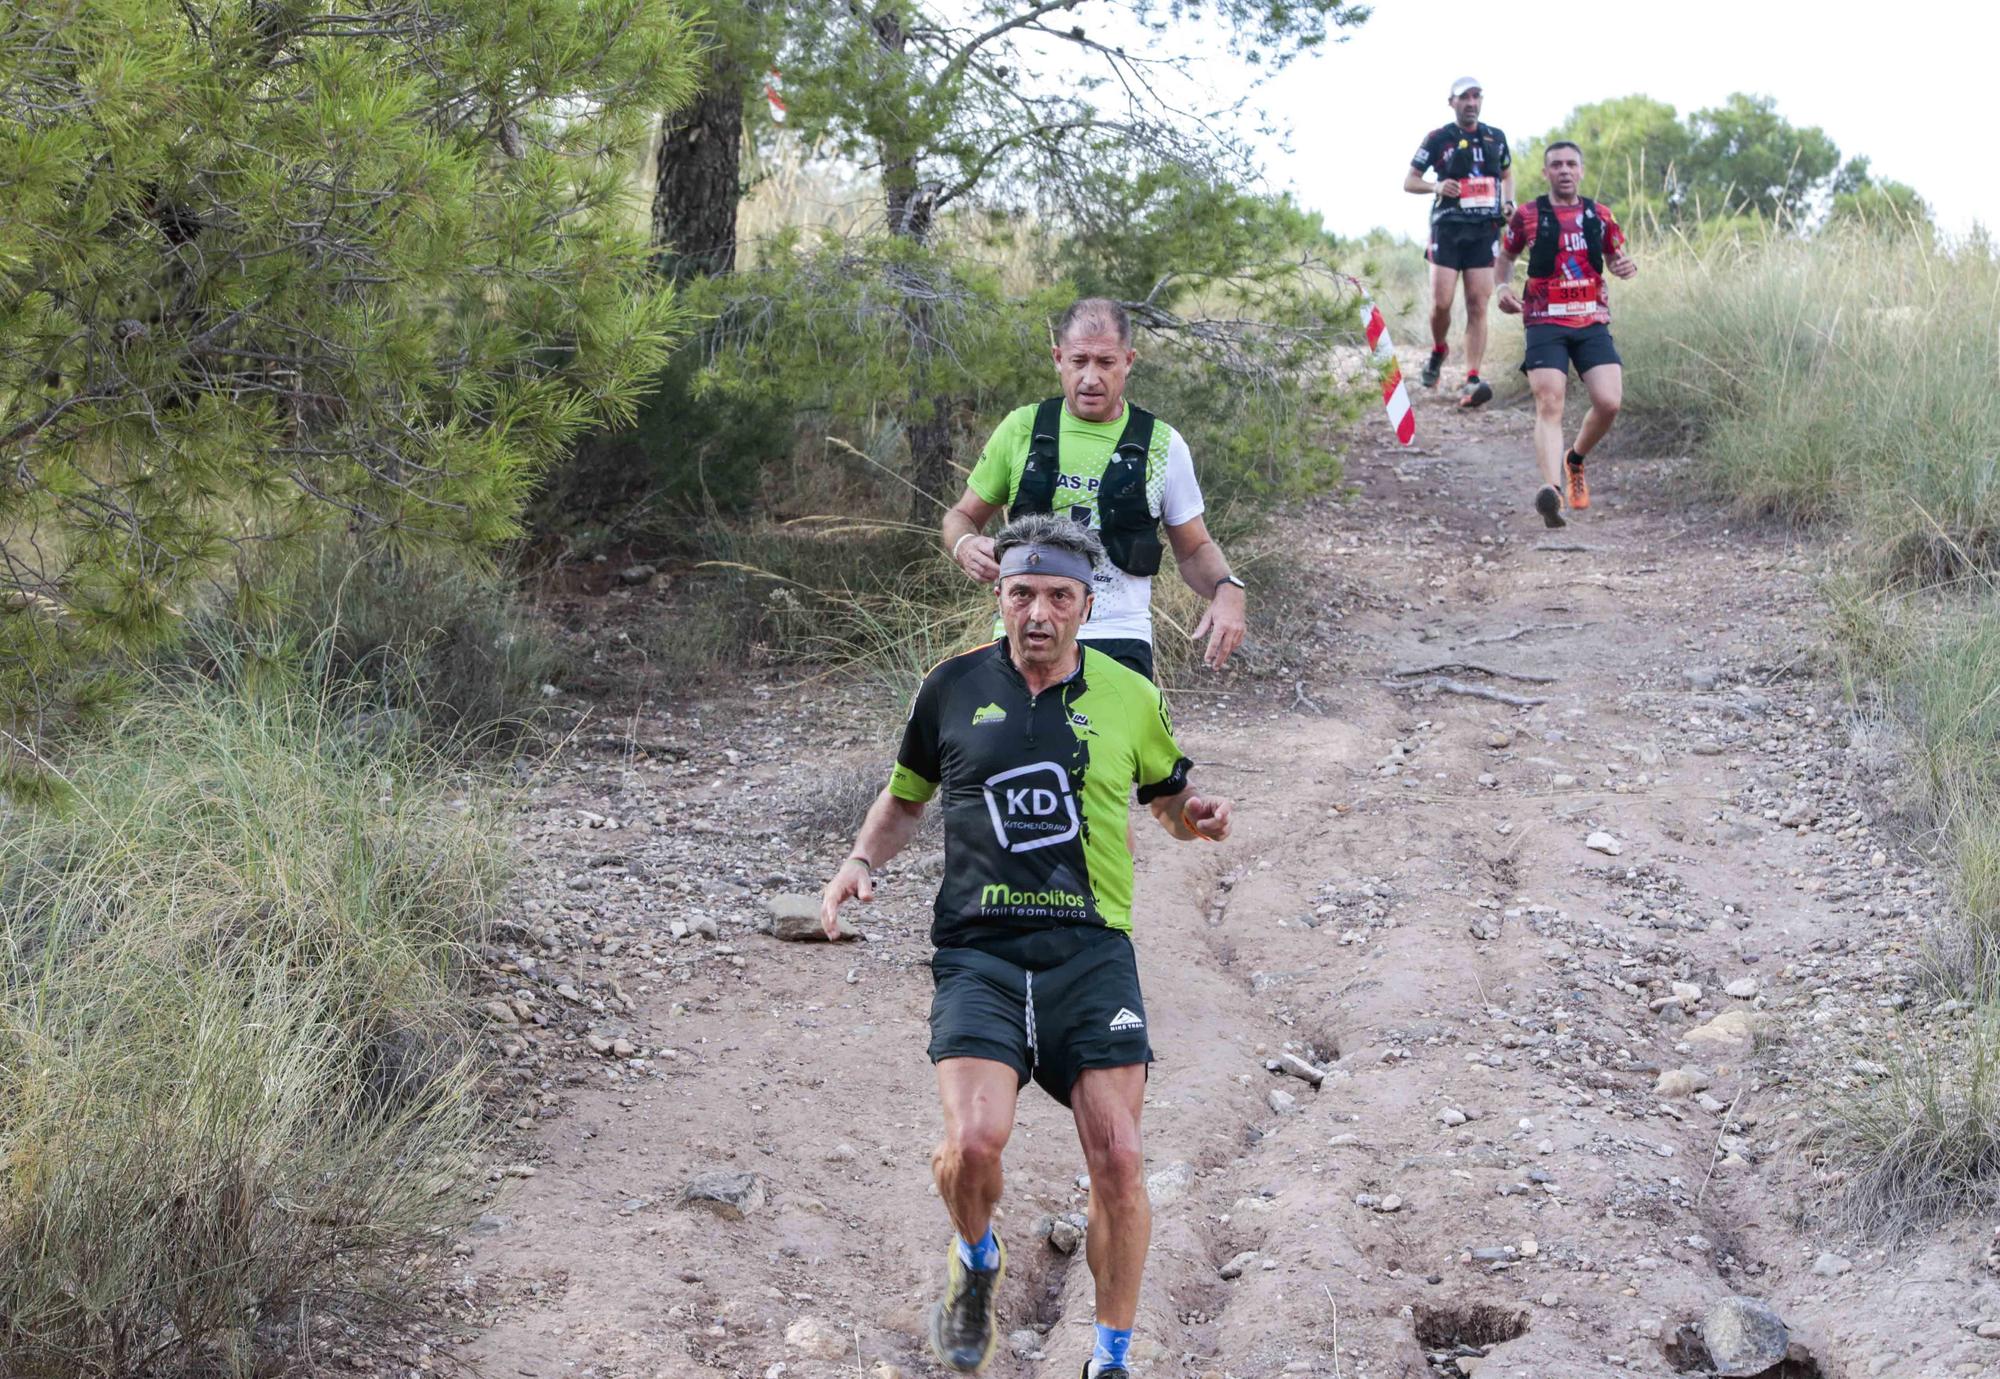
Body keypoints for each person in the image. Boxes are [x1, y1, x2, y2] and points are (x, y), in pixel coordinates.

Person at [819, 514, 1234, 1379]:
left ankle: (1111, 1356)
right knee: (973, 1143)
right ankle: (974, 1261)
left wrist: (1194, 819)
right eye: (1020, 593)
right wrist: (860, 859)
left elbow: (1167, 794)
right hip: (982, 948)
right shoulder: (951, 686)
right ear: (999, 596)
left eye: (1056, 595)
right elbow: (905, 799)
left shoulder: (1129, 694)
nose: (1037, 612)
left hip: (1091, 950)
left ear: (1087, 603)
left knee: (1118, 1157)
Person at [940, 298, 1247, 682]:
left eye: (1105, 362)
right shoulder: (1022, 428)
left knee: (1114, 744)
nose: (1090, 378)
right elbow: (961, 515)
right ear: (1057, 358)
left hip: (1118, 637)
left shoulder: (1162, 444)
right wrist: (965, 544)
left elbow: (1195, 549)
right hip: (1025, 634)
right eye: (1078, 361)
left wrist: (1226, 587)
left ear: (1129, 361)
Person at [1493, 140, 1639, 527]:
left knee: (1609, 403)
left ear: (1582, 170)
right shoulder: (1526, 216)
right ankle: (1551, 491)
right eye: (1556, 164)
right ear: (1545, 173)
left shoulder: (1600, 215)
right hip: (1544, 319)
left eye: (1571, 164)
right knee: (1549, 401)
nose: (1564, 170)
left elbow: (1614, 257)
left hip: (1591, 321)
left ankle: (1574, 459)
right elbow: (1505, 257)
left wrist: (1624, 266)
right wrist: (1502, 289)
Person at [1405, 76, 1514, 407]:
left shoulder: (1496, 137)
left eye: (1476, 96)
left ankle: (1472, 378)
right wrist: (1437, 187)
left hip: (1484, 229)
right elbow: (1410, 181)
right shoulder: (1439, 138)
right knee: (1442, 302)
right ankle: (1439, 349)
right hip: (1448, 228)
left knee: (1477, 304)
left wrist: (1509, 203)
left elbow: (1507, 175)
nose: (1471, 102)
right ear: (1451, 102)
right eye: (1464, 97)